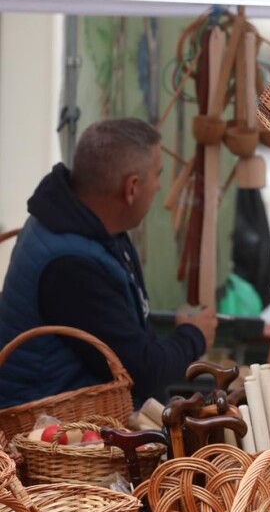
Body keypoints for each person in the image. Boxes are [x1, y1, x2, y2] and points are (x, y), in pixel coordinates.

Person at [0, 119, 216, 408]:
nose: (160, 185)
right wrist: (195, 336)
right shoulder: (69, 266)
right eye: (158, 175)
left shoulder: (85, 224)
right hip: (53, 433)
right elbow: (142, 373)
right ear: (132, 188)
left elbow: (136, 345)